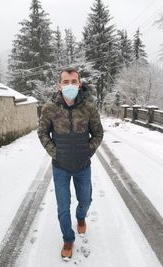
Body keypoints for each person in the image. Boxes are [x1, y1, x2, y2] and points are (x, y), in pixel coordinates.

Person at [37, 68, 103, 261]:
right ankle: (67, 238)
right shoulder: (50, 108)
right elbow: (42, 133)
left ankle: (81, 216)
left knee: (85, 201)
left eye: (74, 81)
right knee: (62, 207)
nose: (70, 85)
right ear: (59, 85)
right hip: (60, 167)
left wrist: (87, 151)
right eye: (66, 82)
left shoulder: (89, 108)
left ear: (79, 84)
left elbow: (98, 133)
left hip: (83, 166)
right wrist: (55, 153)